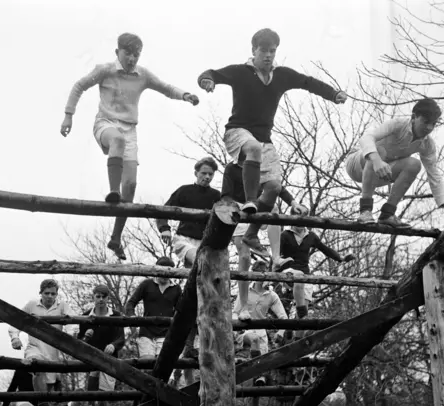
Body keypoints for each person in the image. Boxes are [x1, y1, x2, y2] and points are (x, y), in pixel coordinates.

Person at [197, 27, 347, 246]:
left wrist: (333, 94)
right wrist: (207, 81)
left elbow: (308, 82)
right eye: (264, 51)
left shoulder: (282, 75)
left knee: (274, 188)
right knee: (253, 149)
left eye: (272, 51)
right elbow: (210, 73)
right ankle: (250, 202)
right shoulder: (240, 72)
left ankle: (251, 234)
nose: (268, 55)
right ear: (254, 50)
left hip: (264, 139)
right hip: (237, 131)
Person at [60, 32, 199, 260]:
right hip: (105, 123)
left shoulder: (141, 75)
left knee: (131, 185)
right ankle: (112, 191)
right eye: (128, 54)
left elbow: (164, 87)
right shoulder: (104, 69)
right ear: (118, 52)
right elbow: (79, 86)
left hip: (129, 129)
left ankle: (115, 238)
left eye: (136, 55)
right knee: (117, 141)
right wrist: (68, 116)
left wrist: (185, 95)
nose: (132, 59)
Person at [221, 161, 306, 320]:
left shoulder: (260, 165)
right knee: (245, 257)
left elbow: (277, 187)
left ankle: (276, 258)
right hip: (238, 209)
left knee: (273, 208)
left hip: (255, 207)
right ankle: (244, 307)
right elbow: (225, 194)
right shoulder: (232, 168)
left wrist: (293, 203)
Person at [346, 98, 443, 227]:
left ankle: (387, 214)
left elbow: (434, 173)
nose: (429, 128)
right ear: (414, 117)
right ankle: (365, 211)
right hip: (356, 164)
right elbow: (366, 138)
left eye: (433, 124)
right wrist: (376, 160)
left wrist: (442, 202)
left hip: (382, 174)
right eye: (425, 122)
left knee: (414, 165)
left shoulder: (427, 144)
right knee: (380, 151)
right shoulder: (398, 124)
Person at [8, 279, 76, 406]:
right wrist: (15, 337)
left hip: (53, 353)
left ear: (56, 294)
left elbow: (73, 322)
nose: (50, 296)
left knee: (51, 392)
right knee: (36, 365)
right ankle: (42, 405)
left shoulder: (62, 306)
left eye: (53, 293)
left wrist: (70, 336)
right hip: (35, 348)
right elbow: (15, 320)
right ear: (41, 293)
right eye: (47, 293)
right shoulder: (32, 305)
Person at [276, 208, 355, 331]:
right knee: (299, 277)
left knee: (303, 314)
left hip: (305, 275)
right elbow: (275, 256)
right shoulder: (285, 235)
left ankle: (293, 332)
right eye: (297, 219)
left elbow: (325, 249)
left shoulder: (311, 236)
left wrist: (341, 258)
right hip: (288, 271)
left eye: (303, 219)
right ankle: (301, 314)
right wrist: (271, 274)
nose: (300, 223)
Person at [233, 260, 288, 406]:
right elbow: (235, 311)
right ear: (254, 274)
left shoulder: (271, 295)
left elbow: (283, 316)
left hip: (261, 333)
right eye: (259, 274)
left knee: (259, 370)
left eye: (264, 274)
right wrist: (236, 329)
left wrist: (281, 332)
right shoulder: (245, 291)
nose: (261, 278)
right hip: (244, 330)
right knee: (254, 341)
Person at [157, 158, 221, 268]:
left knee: (198, 275)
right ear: (196, 173)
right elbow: (163, 211)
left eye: (210, 174)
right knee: (200, 260)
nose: (207, 177)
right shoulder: (184, 191)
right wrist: (164, 229)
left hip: (205, 242)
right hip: (184, 239)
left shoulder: (216, 195)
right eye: (204, 173)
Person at [79, 284, 125, 406]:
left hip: (109, 360)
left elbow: (121, 338)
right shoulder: (86, 316)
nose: (100, 299)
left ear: (108, 298)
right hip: (91, 359)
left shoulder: (115, 315)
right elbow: (79, 342)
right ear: (93, 297)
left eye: (103, 297)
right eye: (97, 296)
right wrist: (85, 337)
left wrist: (113, 345)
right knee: (92, 384)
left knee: (105, 398)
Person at [124, 257, 182, 360]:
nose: (164, 276)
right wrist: (133, 319)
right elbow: (130, 303)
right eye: (162, 271)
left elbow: (180, 311)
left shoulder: (176, 289)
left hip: (166, 333)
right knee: (147, 363)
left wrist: (176, 330)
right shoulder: (147, 284)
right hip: (146, 332)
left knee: (163, 366)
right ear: (156, 270)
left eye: (168, 272)